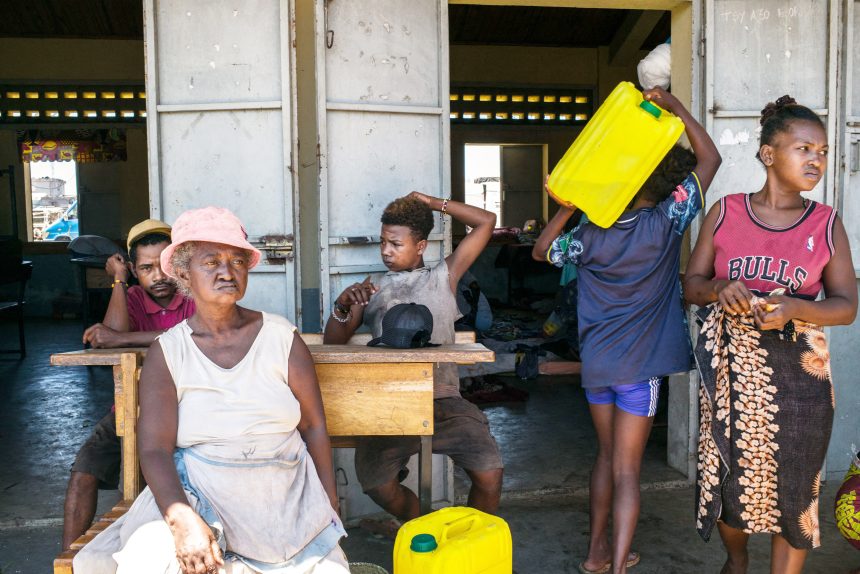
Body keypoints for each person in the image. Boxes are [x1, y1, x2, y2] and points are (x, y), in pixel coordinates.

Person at [74, 207, 347, 573]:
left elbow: (313, 426)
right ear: (183, 273)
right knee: (152, 559)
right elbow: (154, 449)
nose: (227, 272)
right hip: (198, 490)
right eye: (211, 262)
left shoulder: (282, 338)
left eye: (237, 261)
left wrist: (328, 498)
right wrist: (182, 520)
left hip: (284, 493)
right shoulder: (168, 352)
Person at [532, 87, 721, 574]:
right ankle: (617, 567)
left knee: (605, 458)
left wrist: (569, 206)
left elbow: (541, 251)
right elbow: (711, 159)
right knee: (627, 471)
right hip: (640, 373)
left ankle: (594, 554)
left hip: (598, 368)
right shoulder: (666, 222)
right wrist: (677, 108)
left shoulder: (589, 234)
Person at [684, 95, 857, 574]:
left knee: (796, 493)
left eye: (822, 152)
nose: (816, 160)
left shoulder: (826, 224)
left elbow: (846, 307)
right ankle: (736, 560)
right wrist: (719, 287)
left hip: (802, 383)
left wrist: (795, 307)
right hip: (733, 382)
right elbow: (691, 285)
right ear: (768, 154)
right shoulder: (726, 212)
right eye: (804, 149)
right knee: (730, 486)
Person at [323, 192, 503, 524]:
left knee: (490, 472)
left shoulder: (444, 277)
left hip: (444, 401)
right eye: (382, 242)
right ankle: (426, 528)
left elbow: (486, 222)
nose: (385, 251)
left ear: (420, 246)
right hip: (390, 405)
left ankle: (468, 539)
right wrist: (342, 305)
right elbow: (333, 343)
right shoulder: (372, 288)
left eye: (395, 244)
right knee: (377, 484)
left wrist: (432, 203)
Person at [63, 219, 196, 550]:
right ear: (135, 270)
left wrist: (122, 338)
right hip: (129, 407)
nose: (158, 276)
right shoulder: (132, 296)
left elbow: (195, 334)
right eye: (146, 268)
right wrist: (119, 281)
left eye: (164, 265)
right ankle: (67, 561)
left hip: (186, 408)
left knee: (155, 480)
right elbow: (109, 341)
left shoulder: (194, 295)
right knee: (83, 472)